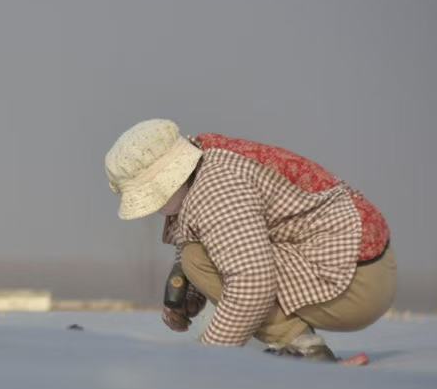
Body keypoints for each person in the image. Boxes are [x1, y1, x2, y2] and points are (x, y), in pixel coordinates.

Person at [105, 119, 395, 361]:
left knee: (200, 261)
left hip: (354, 282)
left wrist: (207, 358)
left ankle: (304, 349)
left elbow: (252, 282)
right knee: (195, 258)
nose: (153, 210)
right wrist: (191, 292)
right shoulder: (207, 161)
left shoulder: (216, 194)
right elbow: (218, 235)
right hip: (364, 265)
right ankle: (297, 344)